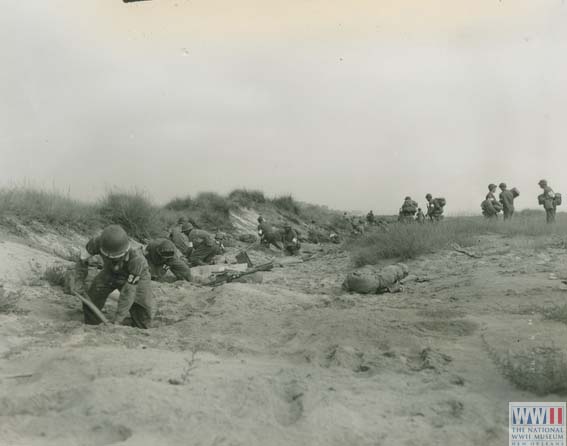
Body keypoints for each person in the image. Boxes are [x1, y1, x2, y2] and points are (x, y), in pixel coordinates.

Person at [80, 225, 154, 329]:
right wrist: (77, 280)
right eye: (109, 256)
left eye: (117, 258)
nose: (114, 259)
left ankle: (139, 321)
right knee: (92, 298)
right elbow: (80, 262)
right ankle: (92, 325)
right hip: (109, 271)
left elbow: (129, 292)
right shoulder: (96, 243)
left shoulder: (137, 261)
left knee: (142, 316)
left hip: (137, 276)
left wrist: (118, 320)